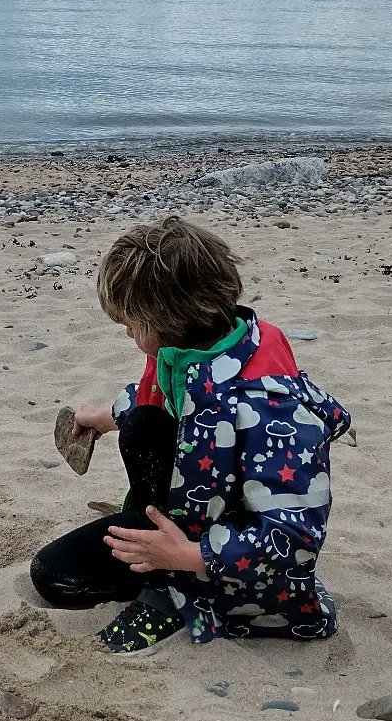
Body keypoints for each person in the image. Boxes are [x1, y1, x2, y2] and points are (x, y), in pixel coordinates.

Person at [31, 216, 350, 656]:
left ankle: (171, 592)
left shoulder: (269, 404)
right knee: (142, 425)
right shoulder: (198, 350)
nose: (126, 331)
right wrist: (106, 416)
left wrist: (186, 555)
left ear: (168, 317)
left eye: (132, 322)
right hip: (187, 512)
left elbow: (296, 532)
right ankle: (160, 554)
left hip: (225, 561)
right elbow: (173, 404)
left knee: (56, 579)